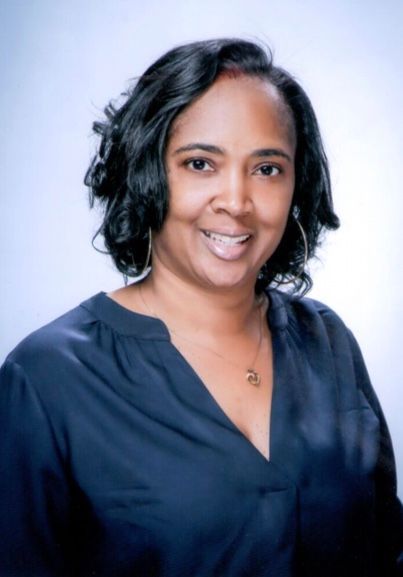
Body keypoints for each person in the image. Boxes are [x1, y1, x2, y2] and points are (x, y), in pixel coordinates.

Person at [0, 38, 402, 577]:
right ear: (147, 173)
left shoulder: (326, 342)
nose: (236, 201)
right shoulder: (48, 377)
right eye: (200, 163)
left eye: (266, 169)